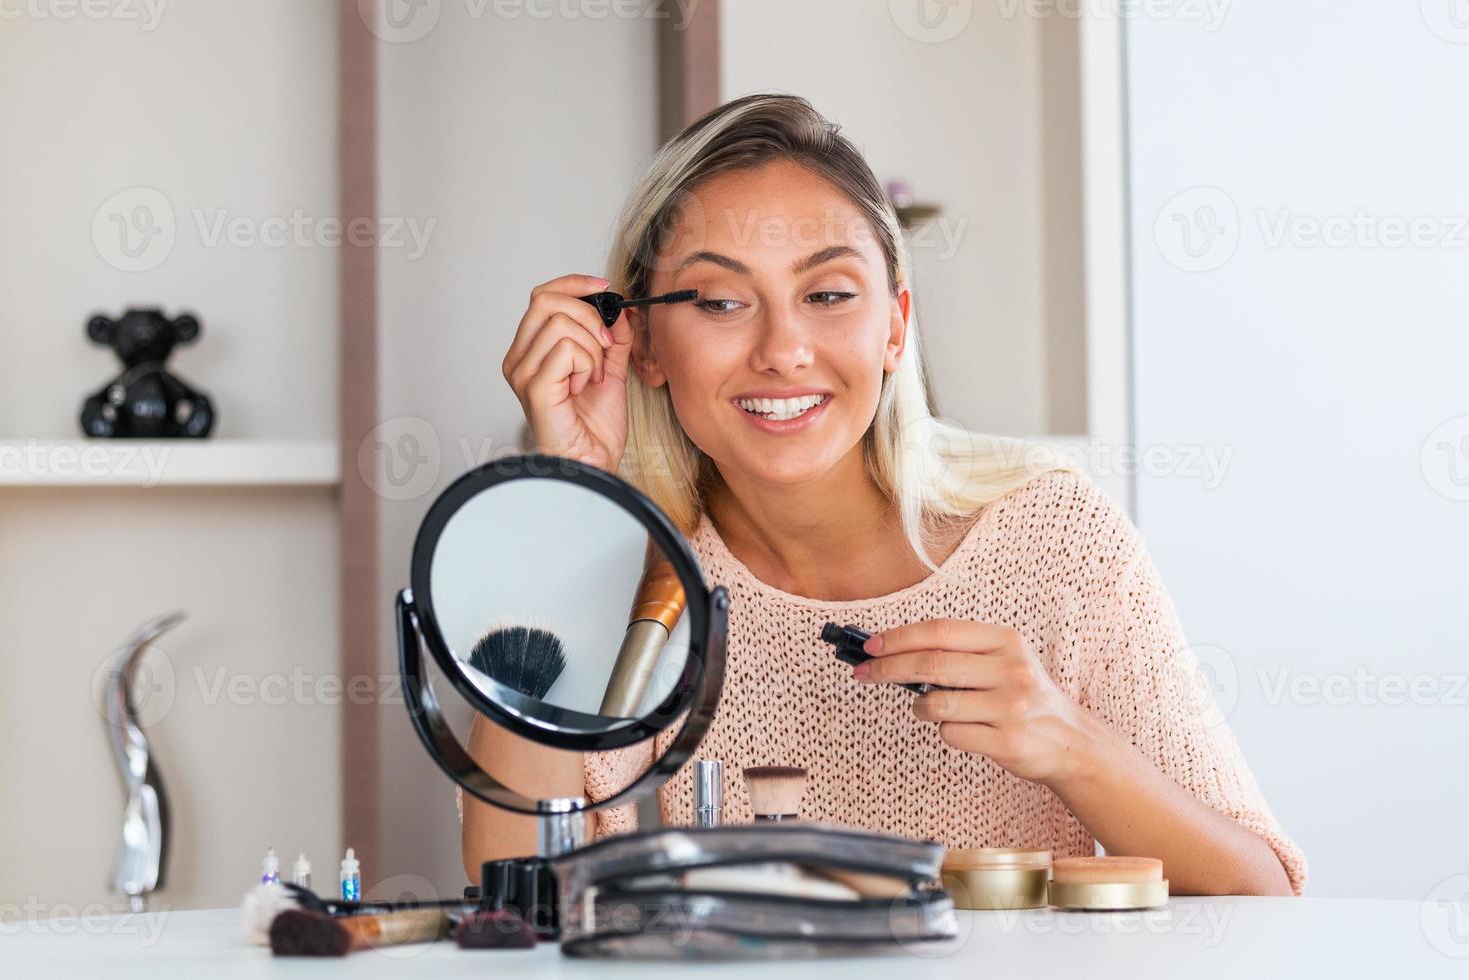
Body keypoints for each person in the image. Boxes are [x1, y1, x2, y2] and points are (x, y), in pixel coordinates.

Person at [467, 93, 1304, 897]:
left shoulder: (1056, 537)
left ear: (896, 326)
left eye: (827, 295)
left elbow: (1257, 889)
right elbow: (516, 896)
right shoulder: (636, 578)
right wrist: (569, 501)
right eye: (722, 302)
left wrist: (1069, 747)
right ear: (643, 342)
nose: (783, 350)